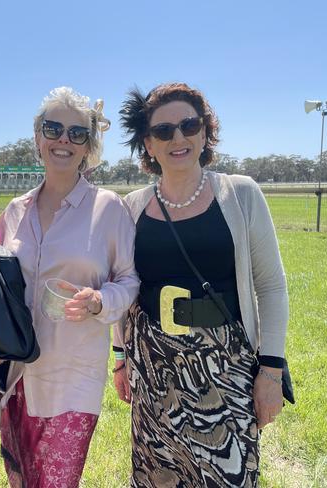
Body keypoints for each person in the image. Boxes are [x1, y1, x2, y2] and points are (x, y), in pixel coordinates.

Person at [114, 82, 289, 487]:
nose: (178, 137)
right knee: (160, 473)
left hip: (224, 364)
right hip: (153, 364)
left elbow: (272, 287)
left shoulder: (240, 194)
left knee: (228, 473)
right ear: (149, 145)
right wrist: (120, 356)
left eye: (189, 125)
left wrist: (271, 372)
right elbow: (124, 284)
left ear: (205, 132)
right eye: (164, 131)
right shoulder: (131, 207)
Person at [0, 87, 140, 487]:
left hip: (72, 375)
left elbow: (129, 281)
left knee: (58, 481)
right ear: (38, 136)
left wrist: (99, 300)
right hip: (15, 374)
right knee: (20, 477)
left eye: (77, 133)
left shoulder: (110, 209)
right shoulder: (14, 212)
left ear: (88, 145)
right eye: (53, 128)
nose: (63, 139)